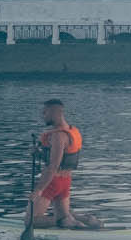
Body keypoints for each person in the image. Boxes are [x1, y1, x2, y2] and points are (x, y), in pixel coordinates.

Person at [26, 97, 97, 231]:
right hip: (65, 181)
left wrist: (38, 189)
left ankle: (65, 221)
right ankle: (87, 220)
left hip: (52, 181)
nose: (43, 115)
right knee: (62, 215)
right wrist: (40, 154)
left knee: (31, 221)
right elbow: (62, 158)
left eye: (45, 112)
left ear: (55, 113)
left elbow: (53, 166)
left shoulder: (59, 136)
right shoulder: (71, 130)